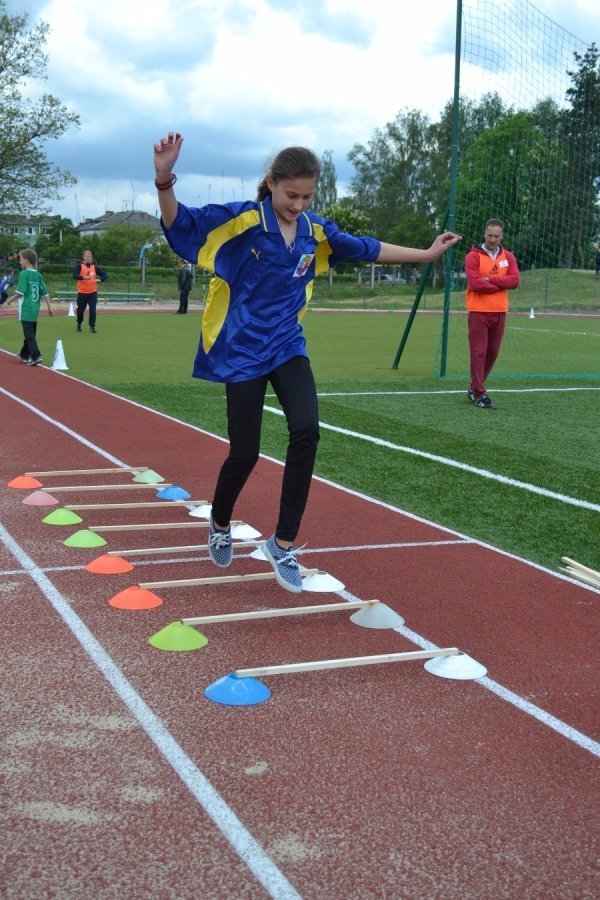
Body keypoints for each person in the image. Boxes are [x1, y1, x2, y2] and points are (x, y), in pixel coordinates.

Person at [154, 131, 461, 592]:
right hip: (241, 352)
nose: (298, 204)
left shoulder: (316, 232)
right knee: (245, 451)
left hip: (287, 346)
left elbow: (368, 248)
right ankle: (219, 524)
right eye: (290, 195)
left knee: (307, 430)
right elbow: (182, 225)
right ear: (272, 184)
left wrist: (428, 254)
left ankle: (283, 542)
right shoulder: (240, 222)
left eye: (306, 196)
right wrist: (163, 179)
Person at [464, 219, 520, 409]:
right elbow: (476, 284)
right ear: (484, 234)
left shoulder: (509, 256)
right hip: (478, 311)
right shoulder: (473, 257)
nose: (493, 239)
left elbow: (515, 281)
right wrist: (500, 283)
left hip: (500, 311)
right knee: (478, 352)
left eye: (497, 236)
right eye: (490, 235)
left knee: (493, 353)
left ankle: (474, 387)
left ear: (502, 236)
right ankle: (479, 393)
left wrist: (491, 279)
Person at [5, 249, 53, 365]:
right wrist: (49, 307)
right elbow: (45, 292)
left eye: (20, 259)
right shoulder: (38, 275)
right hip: (35, 308)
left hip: (26, 308)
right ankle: (24, 354)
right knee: (30, 333)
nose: (20, 262)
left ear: (26, 260)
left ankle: (36, 356)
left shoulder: (24, 274)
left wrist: (9, 300)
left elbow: (20, 292)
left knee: (29, 334)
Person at [73, 249, 107, 333]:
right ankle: (79, 323)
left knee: (93, 310)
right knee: (80, 310)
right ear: (83, 257)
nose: (88, 258)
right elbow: (74, 276)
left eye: (90, 256)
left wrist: (100, 280)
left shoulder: (94, 267)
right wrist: (83, 277)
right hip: (82, 293)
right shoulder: (79, 266)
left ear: (92, 258)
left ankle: (92, 326)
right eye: (86, 256)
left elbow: (105, 274)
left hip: (92, 293)